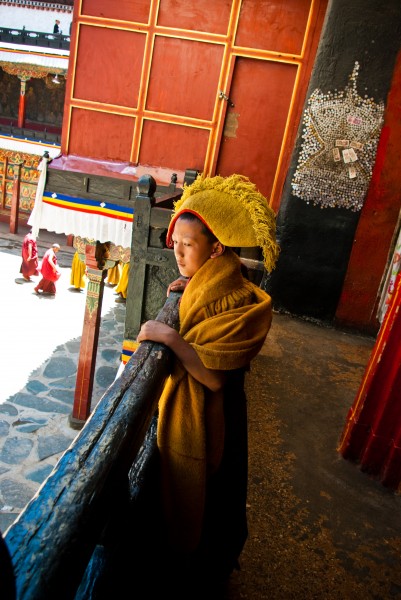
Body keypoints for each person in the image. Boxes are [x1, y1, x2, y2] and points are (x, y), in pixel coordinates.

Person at [135, 173, 280, 592]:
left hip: (219, 415)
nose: (177, 252)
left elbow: (213, 376)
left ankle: (205, 576)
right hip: (208, 410)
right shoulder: (211, 280)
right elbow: (202, 295)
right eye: (174, 242)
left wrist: (171, 337)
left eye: (188, 244)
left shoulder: (236, 297)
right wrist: (191, 285)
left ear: (216, 248)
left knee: (215, 497)